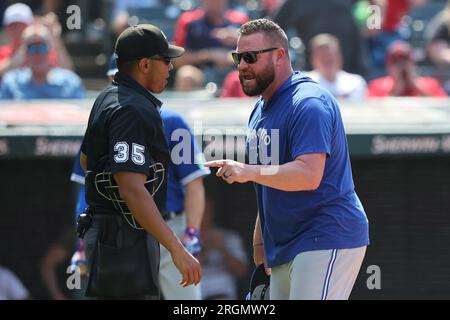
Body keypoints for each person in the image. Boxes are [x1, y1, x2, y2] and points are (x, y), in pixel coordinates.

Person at [205, 19, 369, 300]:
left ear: (280, 55)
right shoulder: (260, 109)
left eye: (250, 57)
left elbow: (308, 174)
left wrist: (248, 170)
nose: (241, 65)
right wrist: (260, 241)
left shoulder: (308, 102)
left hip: (326, 234)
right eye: (237, 57)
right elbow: (270, 182)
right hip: (285, 245)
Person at [79, 24, 201, 299]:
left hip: (112, 235)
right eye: (166, 60)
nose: (171, 68)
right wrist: (177, 250)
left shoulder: (107, 97)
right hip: (123, 240)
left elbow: (87, 159)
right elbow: (131, 188)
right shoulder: (131, 109)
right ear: (145, 64)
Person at [172, 0, 249, 90]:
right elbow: (178, 60)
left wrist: (237, 43)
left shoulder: (240, 20)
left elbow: (254, 56)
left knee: (246, 77)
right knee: (186, 75)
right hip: (202, 72)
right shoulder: (188, 20)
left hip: (234, 72)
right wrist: (209, 55)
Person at [0, 23, 84, 100]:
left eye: (42, 47)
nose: (38, 53)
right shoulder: (11, 83)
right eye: (31, 48)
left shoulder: (70, 83)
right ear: (25, 53)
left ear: (50, 51)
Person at [0, 3, 74, 77]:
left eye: (22, 25)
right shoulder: (2, 52)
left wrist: (54, 37)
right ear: (7, 29)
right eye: (13, 25)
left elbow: (68, 71)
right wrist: (26, 47)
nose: (17, 29)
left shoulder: (42, 50)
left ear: (30, 25)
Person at [199, 198, 248, 300]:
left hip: (224, 295)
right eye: (200, 209)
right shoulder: (186, 239)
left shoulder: (229, 237)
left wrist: (222, 249)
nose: (203, 213)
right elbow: (180, 273)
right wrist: (207, 250)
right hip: (197, 296)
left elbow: (242, 271)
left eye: (206, 210)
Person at [368, 41, 447, 97]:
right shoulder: (377, 86)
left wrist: (416, 87)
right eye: (395, 62)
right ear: (388, 66)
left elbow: (442, 109)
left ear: (413, 64)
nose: (401, 65)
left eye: (405, 60)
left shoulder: (431, 84)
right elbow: (372, 112)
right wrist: (396, 90)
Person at [306, 34, 367, 102]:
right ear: (312, 59)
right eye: (322, 56)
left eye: (331, 55)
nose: (327, 59)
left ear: (340, 57)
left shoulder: (355, 82)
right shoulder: (305, 83)